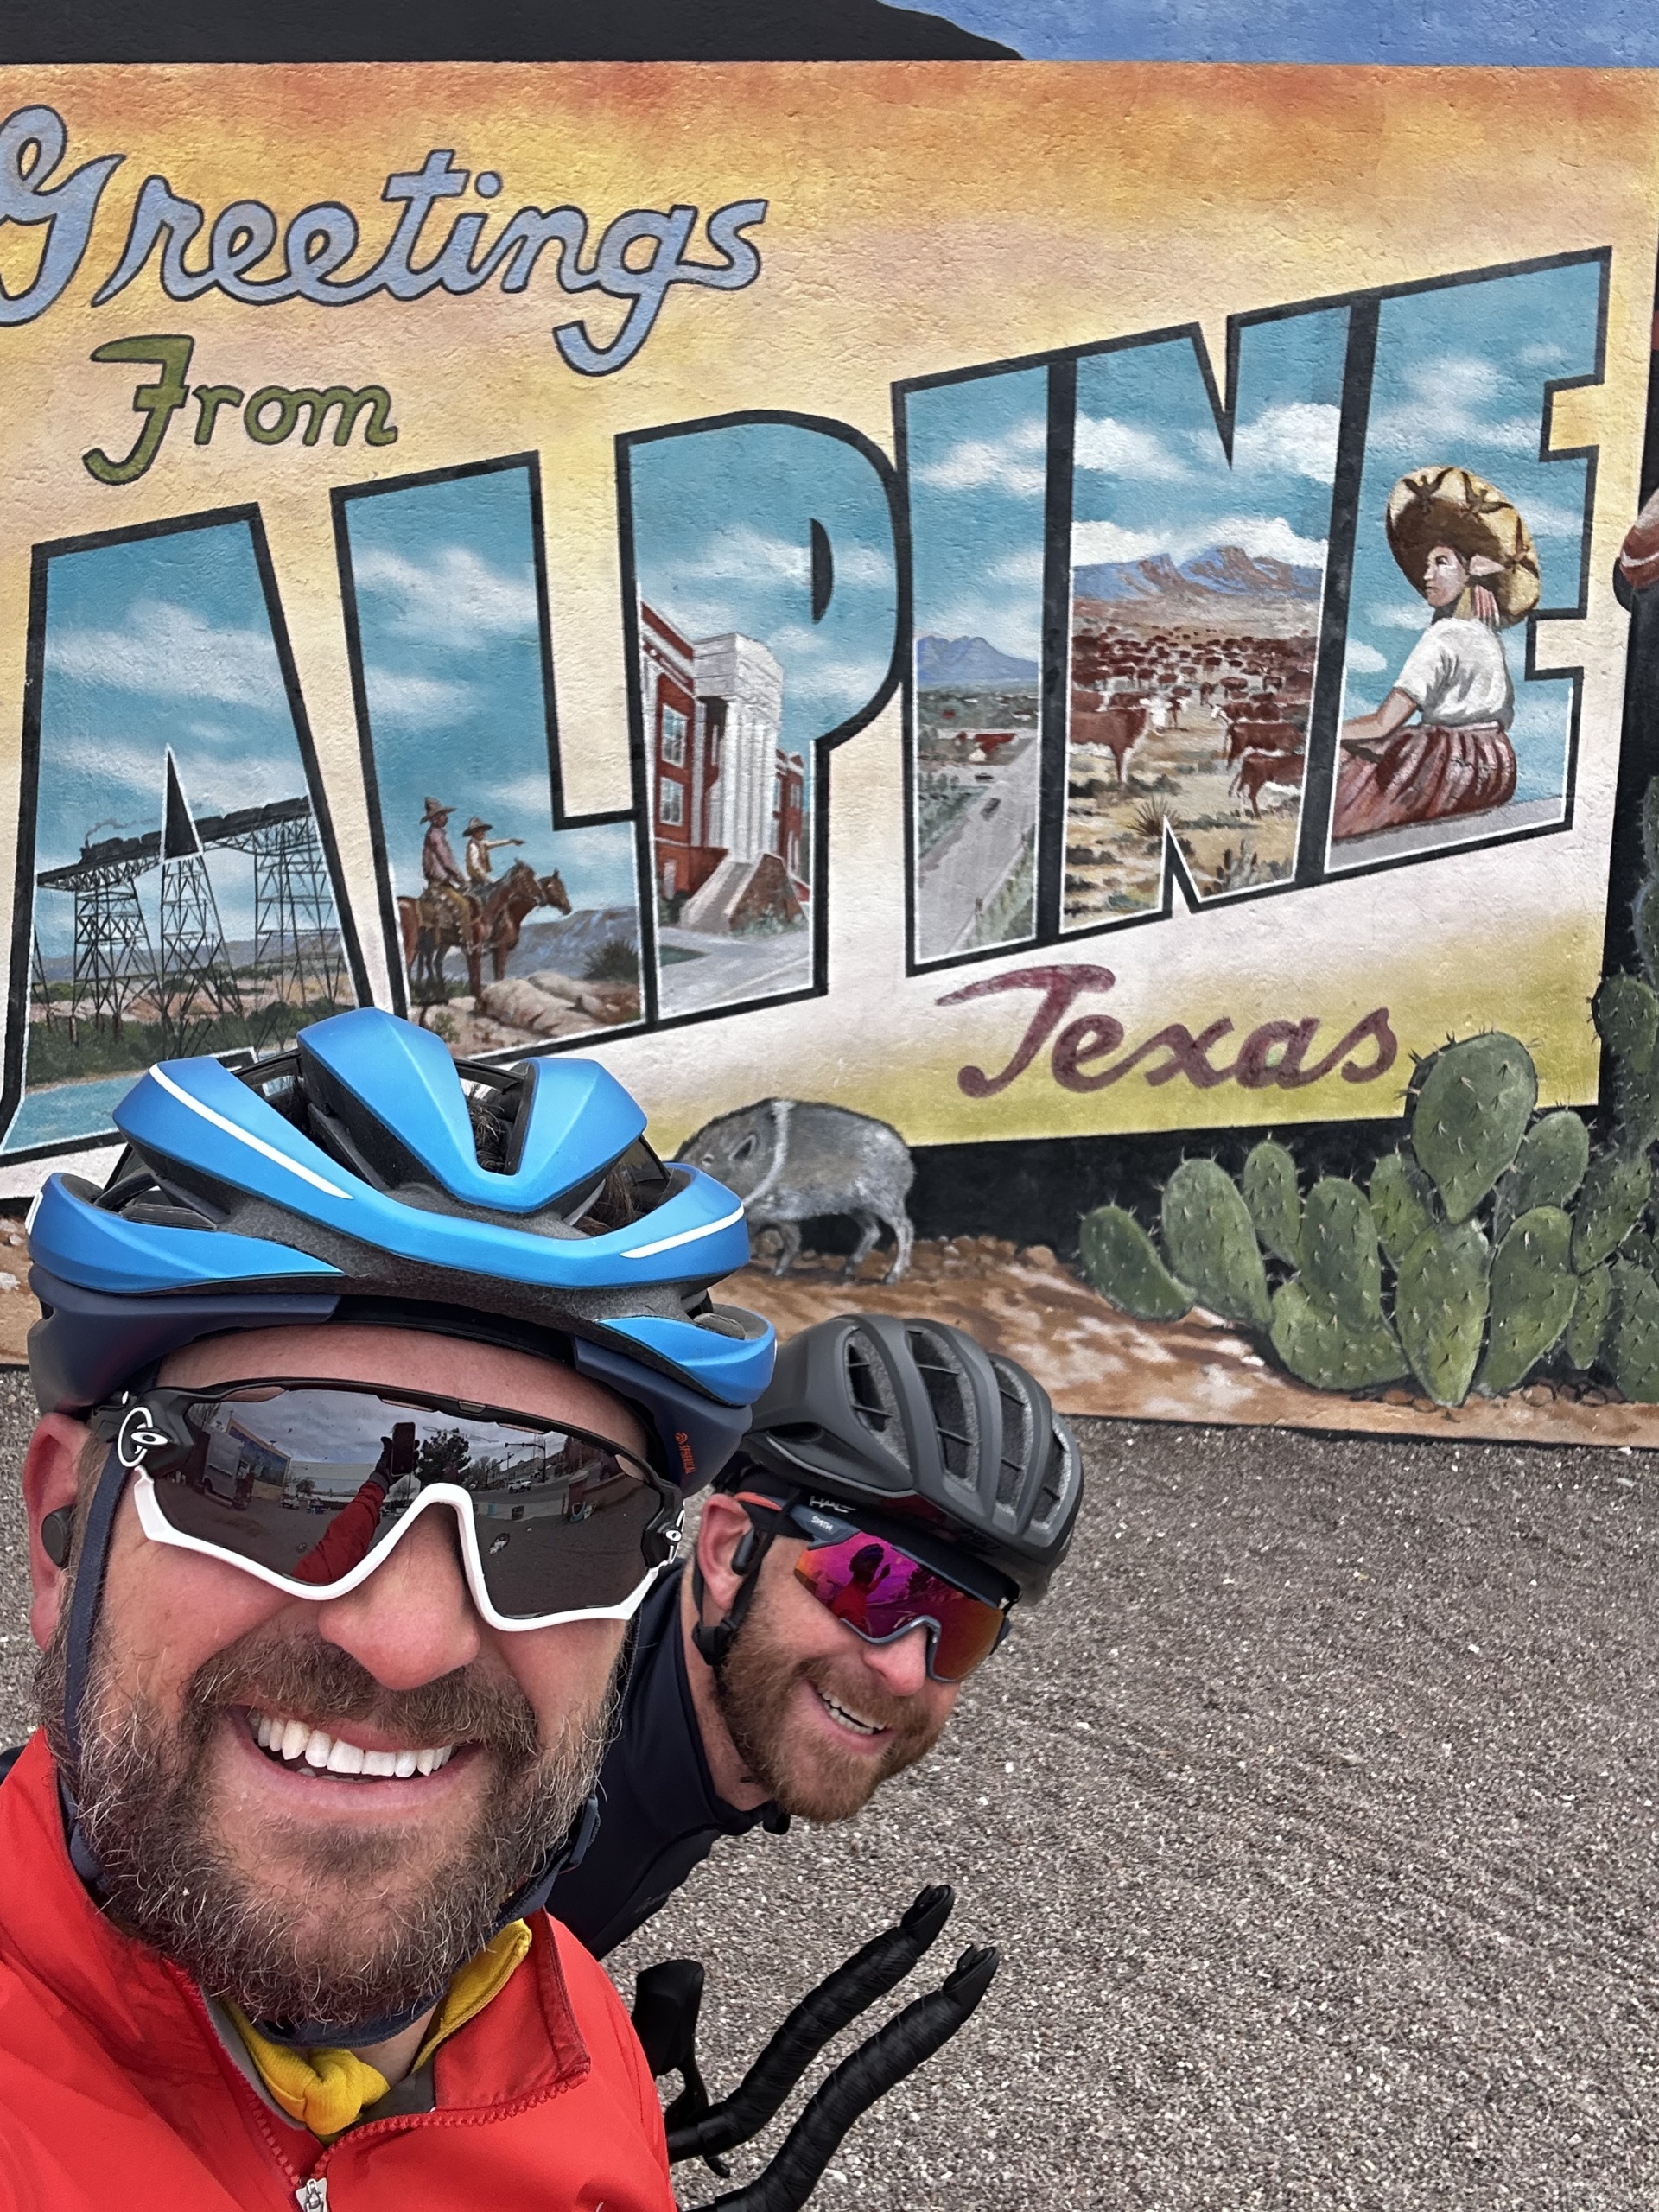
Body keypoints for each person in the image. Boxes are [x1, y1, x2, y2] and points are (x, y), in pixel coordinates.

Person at [0, 1005, 774, 2210]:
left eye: (557, 1514)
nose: (407, 1643)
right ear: (63, 1534)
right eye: (284, 1469)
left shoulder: (582, 2035)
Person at [547, 1312, 1082, 1959]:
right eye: (868, 1581)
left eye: (966, 1626)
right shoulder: (537, 1776)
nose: (905, 1672)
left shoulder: (682, 1751)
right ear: (728, 1551)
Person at [1333, 465, 1540, 842]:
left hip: (1446, 764)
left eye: (1441, 562)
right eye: (1427, 565)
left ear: (1470, 570)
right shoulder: (1488, 637)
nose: (1427, 575)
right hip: (1496, 767)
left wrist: (1326, 734)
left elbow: (1383, 723)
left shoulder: (1442, 636)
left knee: (1342, 782)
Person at [464, 816, 525, 887]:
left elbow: (497, 843)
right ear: (474, 833)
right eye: (479, 831)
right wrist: (487, 879)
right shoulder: (473, 846)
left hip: (482, 879)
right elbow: (475, 865)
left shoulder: (481, 844)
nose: (483, 833)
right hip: (478, 882)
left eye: (483, 831)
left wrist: (511, 841)